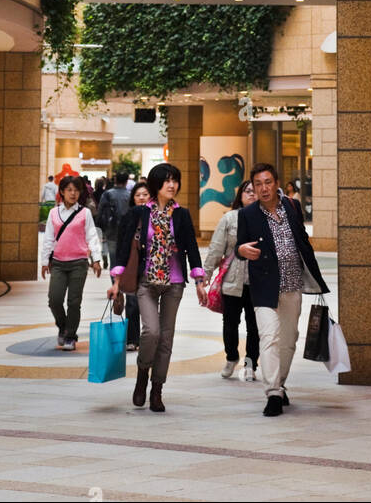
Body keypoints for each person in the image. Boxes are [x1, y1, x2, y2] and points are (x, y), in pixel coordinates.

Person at [107, 163, 207, 413]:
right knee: (151, 332)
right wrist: (117, 281)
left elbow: (191, 249)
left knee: (166, 338)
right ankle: (142, 373)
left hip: (174, 283)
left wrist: (198, 280)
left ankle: (156, 389)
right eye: (167, 180)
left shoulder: (181, 214)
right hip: (146, 282)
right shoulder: (139, 213)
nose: (172, 185)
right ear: (156, 185)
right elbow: (123, 249)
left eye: (175, 180)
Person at [236, 162, 329, 416]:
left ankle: (280, 383)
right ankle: (273, 393)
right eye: (258, 184)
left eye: (267, 182)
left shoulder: (292, 206)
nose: (263, 188)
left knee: (288, 341)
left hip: (292, 284)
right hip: (264, 286)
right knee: (269, 337)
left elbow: (301, 238)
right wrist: (241, 250)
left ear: (276, 183)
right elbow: (239, 247)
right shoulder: (248, 214)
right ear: (253, 188)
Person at [203, 180, 260, 381]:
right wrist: (205, 276)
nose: (252, 195)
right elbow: (216, 248)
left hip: (258, 282)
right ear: (240, 195)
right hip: (232, 281)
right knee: (230, 323)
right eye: (248, 191)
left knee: (255, 326)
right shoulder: (230, 218)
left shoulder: (265, 218)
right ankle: (231, 357)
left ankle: (251, 363)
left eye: (255, 191)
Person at [41, 175, 102, 351]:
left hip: (79, 263)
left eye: (76, 190)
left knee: (74, 302)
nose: (73, 193)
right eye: (69, 190)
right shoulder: (54, 213)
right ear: (62, 192)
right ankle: (63, 326)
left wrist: (96, 259)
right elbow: (49, 239)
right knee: (54, 300)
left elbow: (92, 235)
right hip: (58, 264)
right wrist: (45, 261)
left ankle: (70, 336)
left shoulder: (85, 212)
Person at [115, 179, 150, 352]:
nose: (142, 198)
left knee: (149, 305)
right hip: (132, 266)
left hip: (152, 267)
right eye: (138, 195)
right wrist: (117, 271)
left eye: (145, 194)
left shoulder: (156, 216)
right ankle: (132, 338)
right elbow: (121, 243)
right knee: (132, 303)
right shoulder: (128, 217)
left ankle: (148, 337)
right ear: (133, 198)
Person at [97, 169, 133, 269]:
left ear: (115, 180)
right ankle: (122, 282)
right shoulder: (130, 195)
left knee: (113, 261)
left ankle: (115, 282)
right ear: (127, 181)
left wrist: (101, 229)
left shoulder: (107, 194)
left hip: (111, 230)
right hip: (127, 232)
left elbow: (100, 212)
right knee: (124, 259)